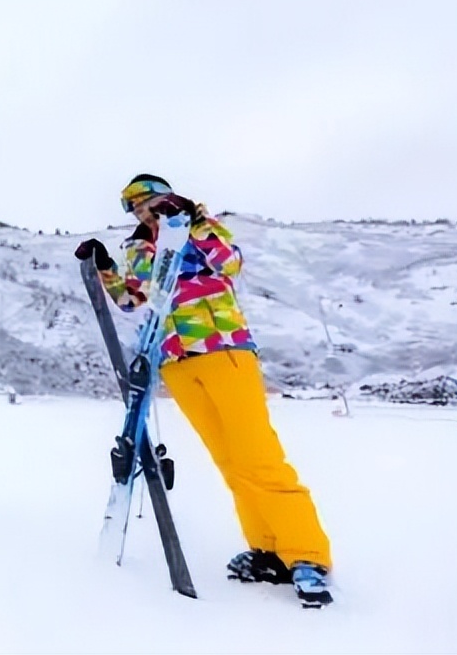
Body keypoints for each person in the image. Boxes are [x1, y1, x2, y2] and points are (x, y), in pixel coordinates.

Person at [75, 174, 333, 607]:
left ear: (166, 198)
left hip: (223, 349)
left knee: (258, 457)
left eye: (149, 204)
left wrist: (190, 222)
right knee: (229, 461)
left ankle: (306, 554)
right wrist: (104, 267)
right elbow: (132, 300)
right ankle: (268, 548)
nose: (144, 215)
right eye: (136, 210)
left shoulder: (200, 226)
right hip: (176, 362)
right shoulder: (139, 248)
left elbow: (229, 263)